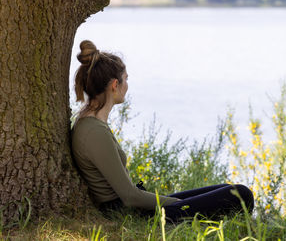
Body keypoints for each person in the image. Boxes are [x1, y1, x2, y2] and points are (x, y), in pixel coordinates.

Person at [71, 40, 254, 222]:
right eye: (126, 79)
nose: (127, 85)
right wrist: (179, 205)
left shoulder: (92, 123)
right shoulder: (94, 131)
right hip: (131, 213)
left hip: (130, 207)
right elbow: (130, 196)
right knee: (241, 194)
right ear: (114, 85)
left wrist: (184, 203)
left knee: (226, 188)